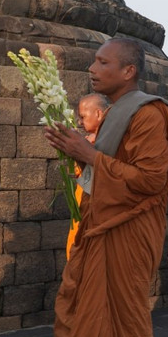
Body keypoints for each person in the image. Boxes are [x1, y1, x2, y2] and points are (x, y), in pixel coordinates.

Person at [43, 38, 168, 337]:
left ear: (128, 71)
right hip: (100, 226)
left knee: (127, 322)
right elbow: (102, 172)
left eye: (102, 62)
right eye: (93, 61)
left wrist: (88, 156)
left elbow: (152, 180)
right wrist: (76, 152)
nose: (92, 68)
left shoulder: (149, 114)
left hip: (129, 230)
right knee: (84, 319)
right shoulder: (117, 112)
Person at [65, 93, 109, 260]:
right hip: (81, 209)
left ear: (98, 114)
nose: (80, 122)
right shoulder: (85, 141)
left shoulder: (109, 143)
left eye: (83, 116)